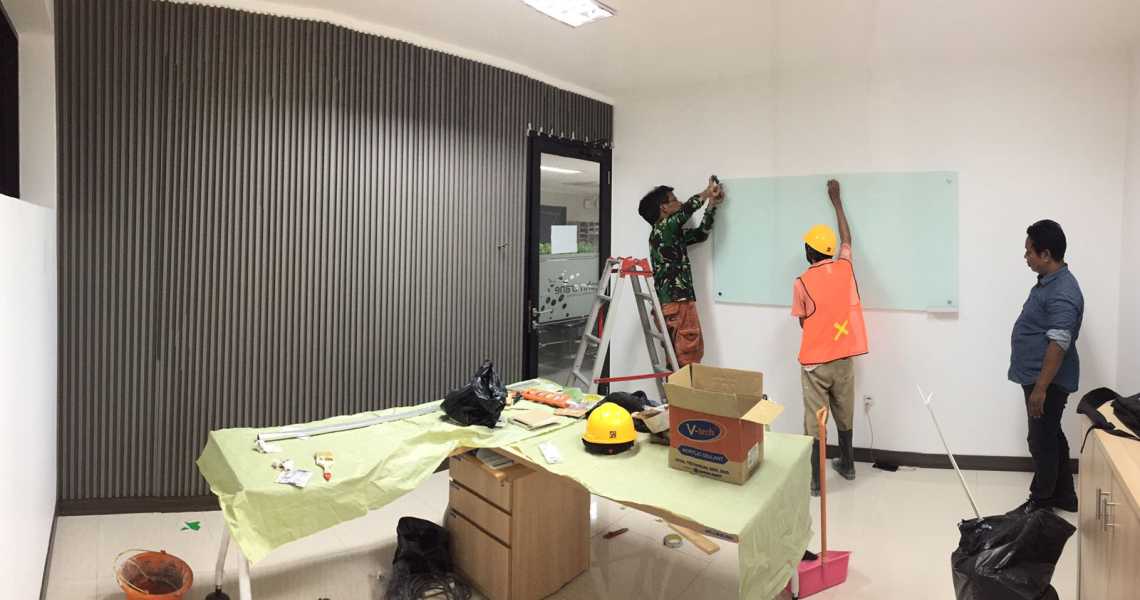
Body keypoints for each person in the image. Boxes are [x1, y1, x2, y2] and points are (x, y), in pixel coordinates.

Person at [792, 180, 868, 496]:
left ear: (808, 251)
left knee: (815, 421)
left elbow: (803, 322)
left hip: (816, 364)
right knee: (844, 413)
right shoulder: (845, 268)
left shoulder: (801, 282)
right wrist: (836, 201)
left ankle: (815, 482)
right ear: (828, 251)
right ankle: (848, 465)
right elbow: (847, 239)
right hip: (844, 359)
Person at [1008, 219, 1083, 515]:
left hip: (1048, 380)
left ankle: (1041, 503)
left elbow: (1059, 342)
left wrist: (1040, 388)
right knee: (1051, 434)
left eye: (1029, 251)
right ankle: (1065, 496)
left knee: (1040, 440)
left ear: (1046, 254)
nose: (1025, 256)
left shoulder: (1063, 291)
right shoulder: (1049, 281)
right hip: (1038, 376)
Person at [638, 178, 724, 367]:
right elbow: (687, 210)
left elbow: (701, 234)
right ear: (664, 208)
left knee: (676, 360)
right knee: (688, 357)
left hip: (669, 305)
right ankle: (686, 387)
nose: (679, 202)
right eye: (674, 199)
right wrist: (707, 192)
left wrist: (711, 205)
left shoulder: (666, 235)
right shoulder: (664, 228)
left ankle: (675, 386)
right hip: (678, 303)